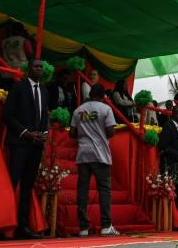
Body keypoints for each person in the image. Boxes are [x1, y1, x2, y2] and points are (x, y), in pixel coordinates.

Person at [3, 61, 49, 239]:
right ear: (29, 69)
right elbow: (7, 115)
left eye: (41, 67)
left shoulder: (44, 91)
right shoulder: (18, 87)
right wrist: (26, 133)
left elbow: (43, 117)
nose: (39, 69)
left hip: (36, 146)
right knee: (12, 183)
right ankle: (4, 227)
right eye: (36, 66)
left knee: (28, 187)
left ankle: (22, 227)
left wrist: (44, 133)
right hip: (19, 143)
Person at [70, 82, 119, 238]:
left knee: (82, 190)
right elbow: (111, 132)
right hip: (100, 155)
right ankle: (106, 226)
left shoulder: (78, 111)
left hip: (83, 154)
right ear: (103, 96)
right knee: (104, 190)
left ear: (90, 94)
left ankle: (83, 228)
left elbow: (72, 133)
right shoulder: (106, 109)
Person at [157, 103, 178, 207]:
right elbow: (163, 146)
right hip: (169, 165)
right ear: (177, 115)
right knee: (169, 192)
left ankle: (176, 219)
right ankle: (170, 219)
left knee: (177, 192)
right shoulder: (168, 126)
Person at [1, 22, 33, 90]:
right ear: (22, 30)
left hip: (6, 71)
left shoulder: (4, 41)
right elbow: (30, 54)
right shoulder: (24, 41)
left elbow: (1, 55)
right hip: (20, 72)